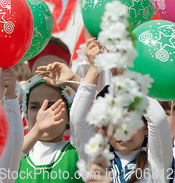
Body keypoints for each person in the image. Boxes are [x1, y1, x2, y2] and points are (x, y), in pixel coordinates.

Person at [70, 38, 173, 183]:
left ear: (145, 128)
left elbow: (158, 119)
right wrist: (94, 68)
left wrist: (123, 76)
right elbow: (77, 121)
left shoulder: (157, 165)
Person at [15, 75, 80, 182]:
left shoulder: (79, 154)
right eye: (34, 107)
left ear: (69, 114)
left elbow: (100, 108)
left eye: (51, 107)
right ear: (26, 113)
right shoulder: (15, 155)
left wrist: (73, 80)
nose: (42, 113)